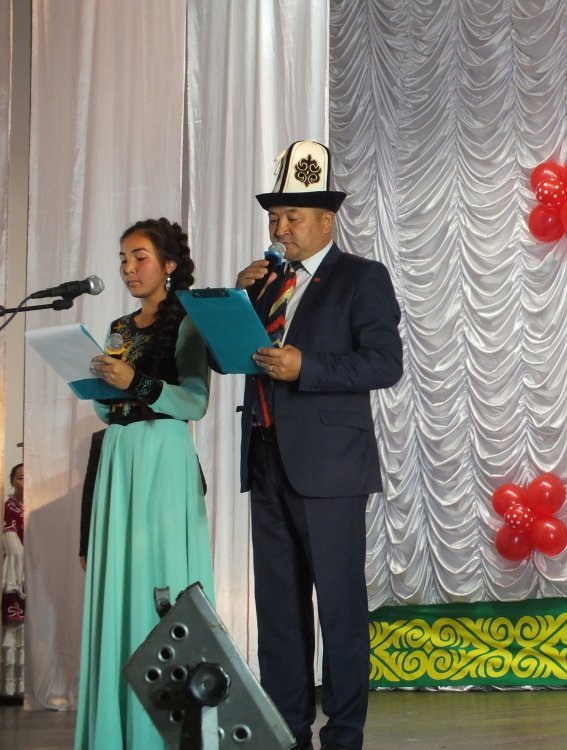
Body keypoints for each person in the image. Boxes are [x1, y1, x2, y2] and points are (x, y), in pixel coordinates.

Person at [235, 140, 402, 750]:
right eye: (274, 217)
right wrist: (235, 300)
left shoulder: (362, 277)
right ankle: (287, 729)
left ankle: (345, 731)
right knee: (278, 609)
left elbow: (384, 363)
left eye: (292, 216)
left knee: (338, 606)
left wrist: (307, 366)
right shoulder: (264, 284)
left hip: (331, 468)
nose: (280, 228)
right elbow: (237, 357)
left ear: (327, 221)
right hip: (266, 459)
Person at [74, 218, 214, 750]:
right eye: (123, 259)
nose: (128, 268)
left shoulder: (189, 323)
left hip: (163, 457)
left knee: (158, 580)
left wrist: (135, 382)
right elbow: (110, 410)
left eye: (140, 258)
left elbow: (194, 402)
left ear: (169, 265)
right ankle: (117, 728)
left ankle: (165, 731)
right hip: (121, 455)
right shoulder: (119, 327)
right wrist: (98, 387)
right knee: (121, 581)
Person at [1, 463, 25, 703]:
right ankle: (10, 688)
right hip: (16, 575)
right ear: (12, 481)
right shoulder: (9, 507)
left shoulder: (37, 504)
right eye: (20, 478)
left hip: (34, 571)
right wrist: (21, 574)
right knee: (14, 626)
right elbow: (12, 545)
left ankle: (25, 686)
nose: (24, 483)